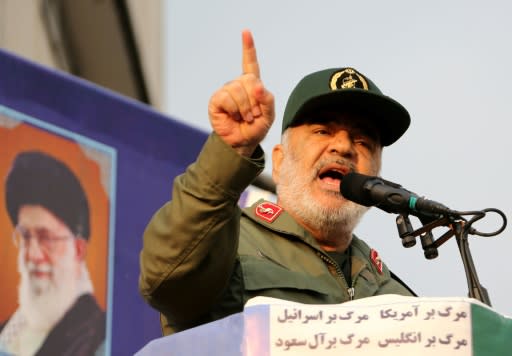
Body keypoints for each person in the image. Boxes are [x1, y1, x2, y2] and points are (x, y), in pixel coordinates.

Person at [139, 30, 414, 336]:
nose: (344, 147)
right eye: (323, 131)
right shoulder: (226, 243)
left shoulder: (396, 297)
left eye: (363, 141)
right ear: (280, 162)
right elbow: (166, 280)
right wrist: (230, 152)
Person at [0, 151, 105, 355]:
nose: (33, 254)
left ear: (78, 249)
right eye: (26, 237)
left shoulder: (98, 337)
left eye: (46, 238)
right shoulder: (7, 331)